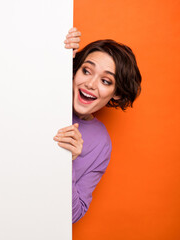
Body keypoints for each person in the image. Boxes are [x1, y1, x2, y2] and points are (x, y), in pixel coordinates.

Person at [53, 28, 142, 223]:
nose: (91, 84)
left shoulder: (101, 143)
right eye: (86, 71)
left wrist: (68, 161)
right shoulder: (46, 93)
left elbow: (73, 215)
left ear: (117, 92)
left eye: (105, 80)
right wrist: (56, 47)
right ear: (75, 70)